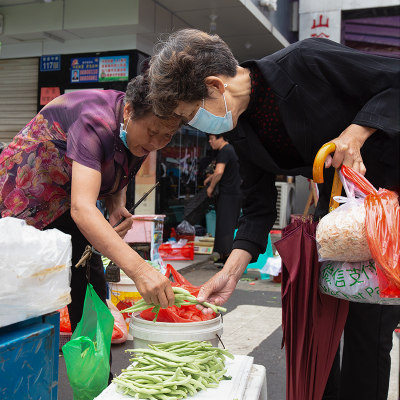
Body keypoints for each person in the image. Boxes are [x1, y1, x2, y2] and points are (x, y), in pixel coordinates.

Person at [146, 29, 400, 400]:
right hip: (334, 227)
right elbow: (257, 208)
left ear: (216, 85)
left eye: (191, 115)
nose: (198, 126)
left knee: (368, 333)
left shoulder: (307, 62)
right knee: (318, 336)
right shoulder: (241, 128)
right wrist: (230, 272)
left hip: (382, 220)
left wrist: (358, 131)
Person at [0, 75, 179, 335]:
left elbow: (116, 169)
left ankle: (94, 371)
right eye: (152, 132)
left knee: (89, 276)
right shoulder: (95, 121)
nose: (156, 143)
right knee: (19, 282)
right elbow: (82, 208)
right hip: (25, 193)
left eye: (167, 136)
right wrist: (140, 269)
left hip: (67, 197)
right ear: (128, 111)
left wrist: (116, 204)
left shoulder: (136, 132)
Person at [204, 133, 241, 264]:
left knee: (226, 225)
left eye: (212, 139)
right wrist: (210, 178)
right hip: (233, 193)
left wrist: (210, 187)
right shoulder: (230, 149)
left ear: (221, 138)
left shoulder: (224, 151)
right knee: (226, 224)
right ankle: (224, 255)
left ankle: (227, 256)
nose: (210, 142)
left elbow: (219, 171)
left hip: (228, 194)